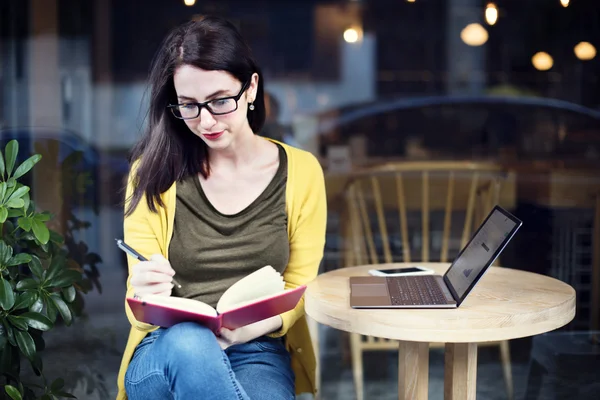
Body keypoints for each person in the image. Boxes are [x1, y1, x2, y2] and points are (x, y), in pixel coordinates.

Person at [116, 16, 327, 400]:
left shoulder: (302, 172)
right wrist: (142, 292)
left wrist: (248, 329)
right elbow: (138, 309)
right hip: (165, 348)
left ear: (251, 89)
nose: (206, 121)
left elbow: (300, 287)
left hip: (256, 348)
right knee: (190, 343)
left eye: (219, 101)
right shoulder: (152, 174)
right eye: (189, 106)